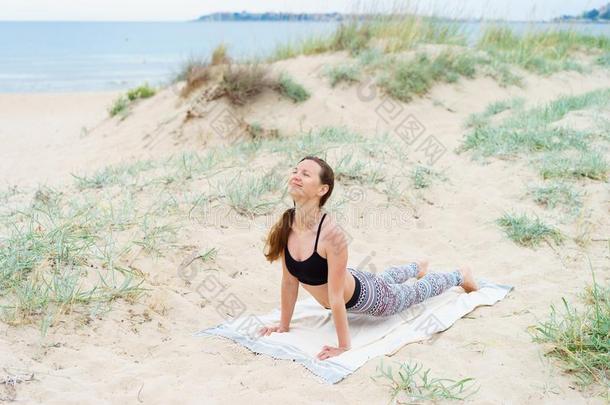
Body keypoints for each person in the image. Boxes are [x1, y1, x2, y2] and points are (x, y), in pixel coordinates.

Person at [259, 156, 479, 361]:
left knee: (413, 293)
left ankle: (459, 275)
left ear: (322, 189)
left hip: (371, 298)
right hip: (352, 279)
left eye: (306, 174)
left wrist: (343, 346)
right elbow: (289, 282)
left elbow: (335, 298)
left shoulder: (331, 235)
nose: (296, 175)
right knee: (382, 279)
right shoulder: (287, 225)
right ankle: (416, 267)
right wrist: (283, 326)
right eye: (295, 171)